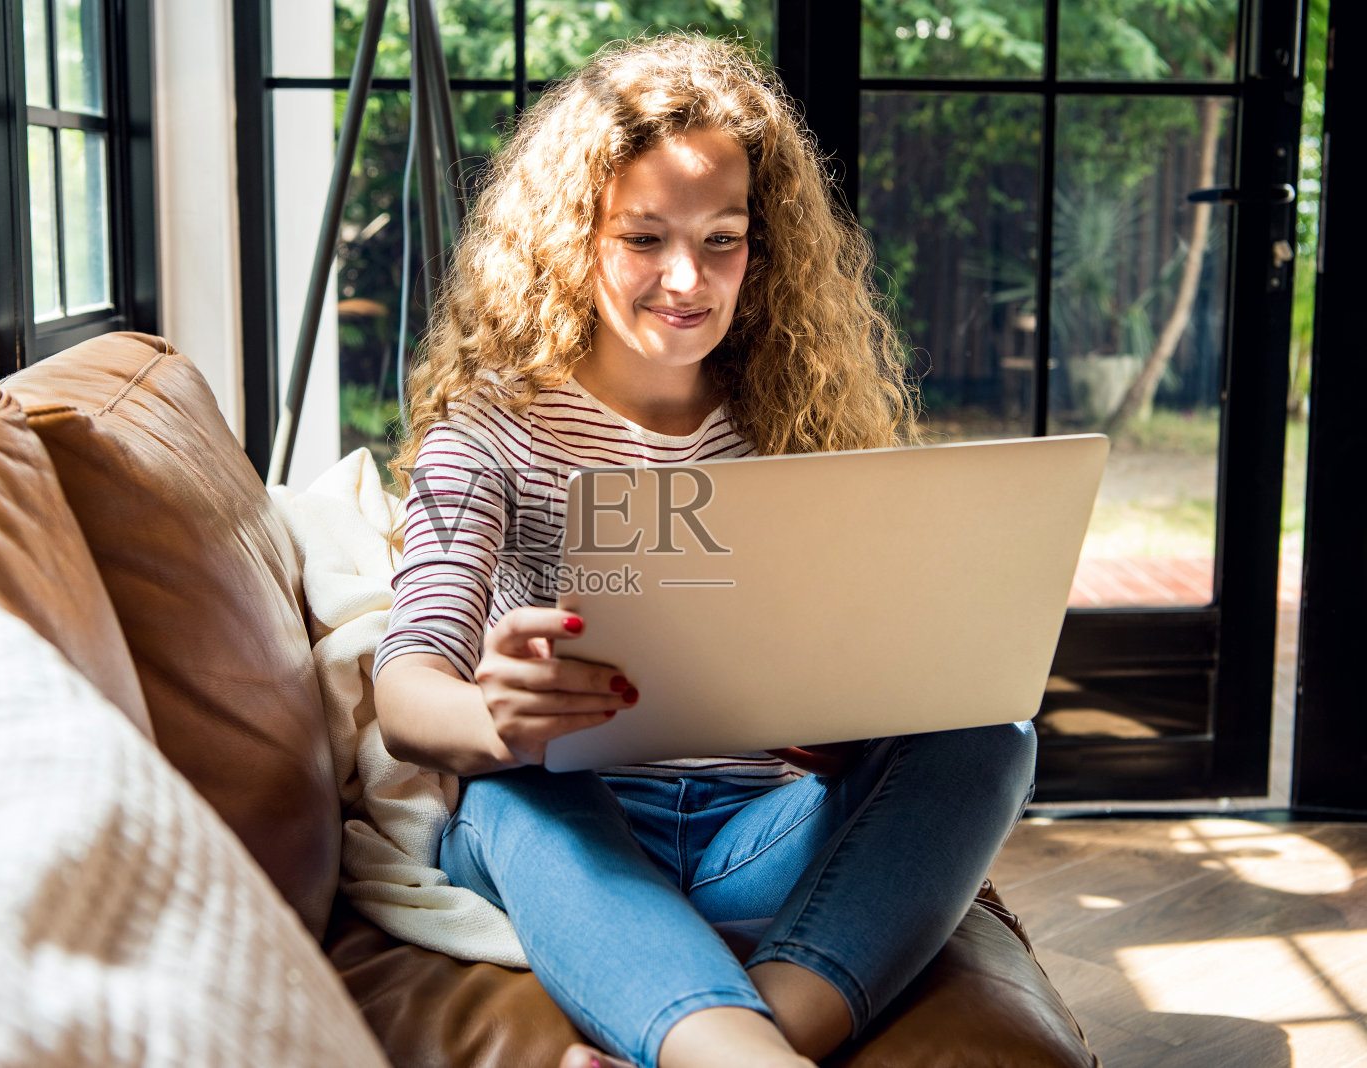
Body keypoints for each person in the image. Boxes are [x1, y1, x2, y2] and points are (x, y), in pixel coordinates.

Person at [371, 33, 1036, 1068]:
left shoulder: (790, 425)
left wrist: (851, 720)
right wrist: (490, 717)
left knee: (990, 733)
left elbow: (853, 683)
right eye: (643, 237)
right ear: (570, 236)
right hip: (570, 827)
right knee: (514, 784)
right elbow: (405, 693)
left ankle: (750, 1035)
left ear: (760, 249)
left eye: (721, 239)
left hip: (755, 836)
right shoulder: (485, 435)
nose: (687, 278)